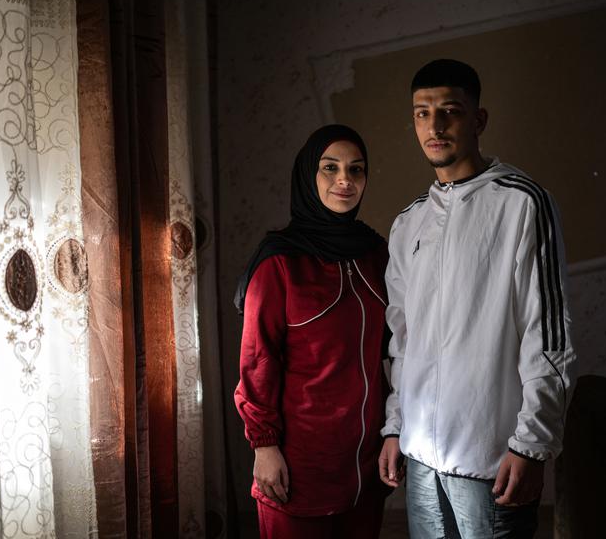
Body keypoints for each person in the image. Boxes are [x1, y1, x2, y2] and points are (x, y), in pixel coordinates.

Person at [378, 59, 576, 538]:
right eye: (422, 113)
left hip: (491, 458)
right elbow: (403, 339)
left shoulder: (522, 202)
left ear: (478, 120)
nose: (435, 125)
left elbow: (546, 332)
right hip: (420, 460)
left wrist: (531, 444)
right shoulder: (409, 223)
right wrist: (393, 427)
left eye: (450, 111)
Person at [234, 124, 390, 538]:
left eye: (356, 170)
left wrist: (394, 432)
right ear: (308, 174)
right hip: (298, 463)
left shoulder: (375, 254)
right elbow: (258, 360)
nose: (345, 180)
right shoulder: (280, 261)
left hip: (363, 465)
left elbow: (395, 352)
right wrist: (264, 446)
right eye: (330, 168)